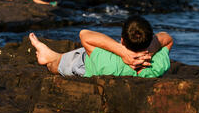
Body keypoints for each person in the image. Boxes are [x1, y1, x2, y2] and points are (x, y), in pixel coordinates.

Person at [29, 15, 173, 78]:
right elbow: (167, 38)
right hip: (98, 55)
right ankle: (53, 54)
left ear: (122, 40)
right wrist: (149, 51)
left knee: (60, 63)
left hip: (84, 64)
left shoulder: (108, 62)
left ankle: (49, 57)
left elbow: (84, 34)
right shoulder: (157, 66)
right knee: (88, 51)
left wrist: (122, 52)